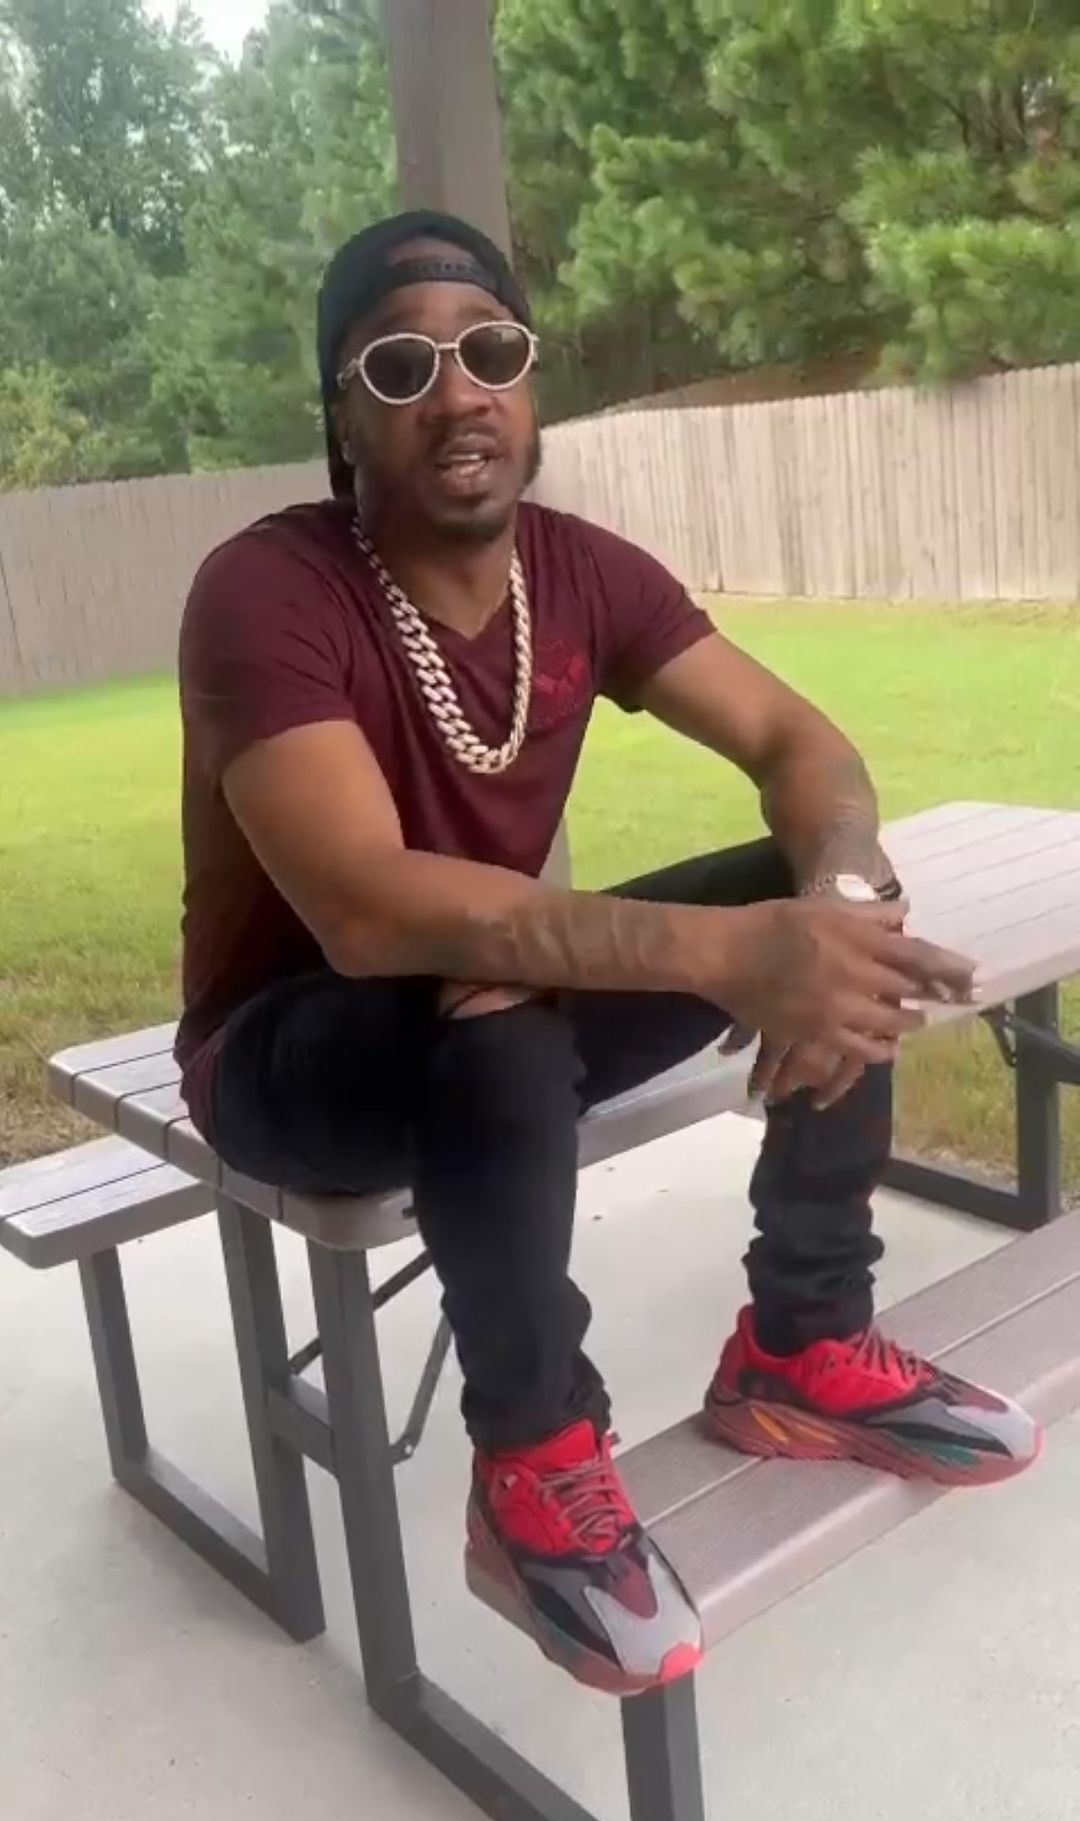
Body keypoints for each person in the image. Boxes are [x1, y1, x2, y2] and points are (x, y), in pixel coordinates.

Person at [176, 210, 1040, 1698]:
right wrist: (727, 955)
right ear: (342, 414)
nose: (458, 393)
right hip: (291, 1046)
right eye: (400, 367)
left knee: (829, 896)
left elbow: (800, 743)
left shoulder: (580, 572)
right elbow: (368, 910)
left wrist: (831, 896)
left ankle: (803, 1345)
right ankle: (533, 1461)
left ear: (531, 380)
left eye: (490, 350)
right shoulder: (269, 591)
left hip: (488, 1005)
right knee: (496, 997)